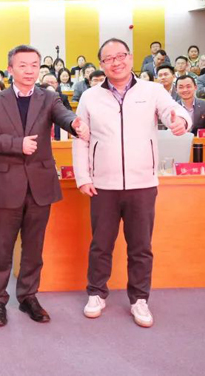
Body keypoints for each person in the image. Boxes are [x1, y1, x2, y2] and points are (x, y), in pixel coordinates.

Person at [73, 38, 191, 329]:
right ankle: (96, 293)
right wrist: (83, 176)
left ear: (130, 57)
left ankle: (139, 298)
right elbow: (80, 139)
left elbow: (174, 112)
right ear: (102, 64)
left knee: (140, 246)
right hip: (103, 184)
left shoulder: (152, 91)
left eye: (121, 56)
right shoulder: (90, 96)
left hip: (142, 183)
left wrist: (181, 122)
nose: (116, 62)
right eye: (108, 59)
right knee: (101, 244)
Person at [0, 45, 87, 327]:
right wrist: (17, 144)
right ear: (10, 69)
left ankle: (28, 296)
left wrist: (75, 123)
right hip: (8, 184)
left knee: (34, 248)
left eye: (34, 65)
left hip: (40, 184)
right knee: (2, 249)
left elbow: (63, 115)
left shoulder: (49, 97)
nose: (29, 71)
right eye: (23, 65)